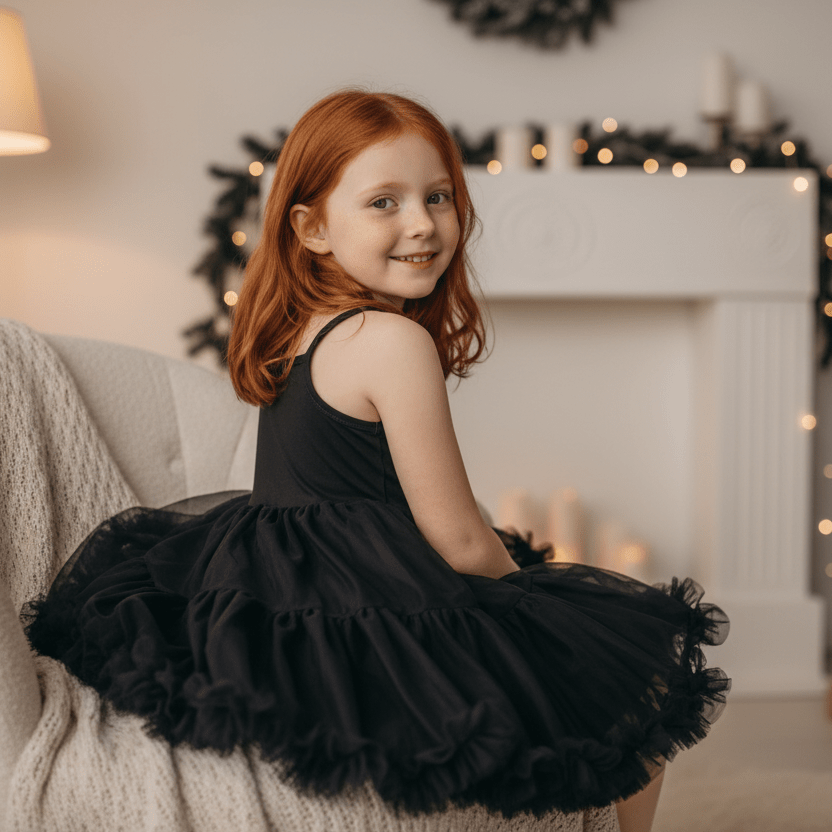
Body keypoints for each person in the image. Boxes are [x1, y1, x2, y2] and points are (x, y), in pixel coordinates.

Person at [23, 89, 730, 831]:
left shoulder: (305, 328)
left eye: (438, 196)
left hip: (273, 572)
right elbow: (457, 536)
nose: (422, 223)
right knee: (642, 673)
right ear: (313, 227)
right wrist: (545, 618)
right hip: (358, 591)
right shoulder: (395, 343)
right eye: (384, 202)